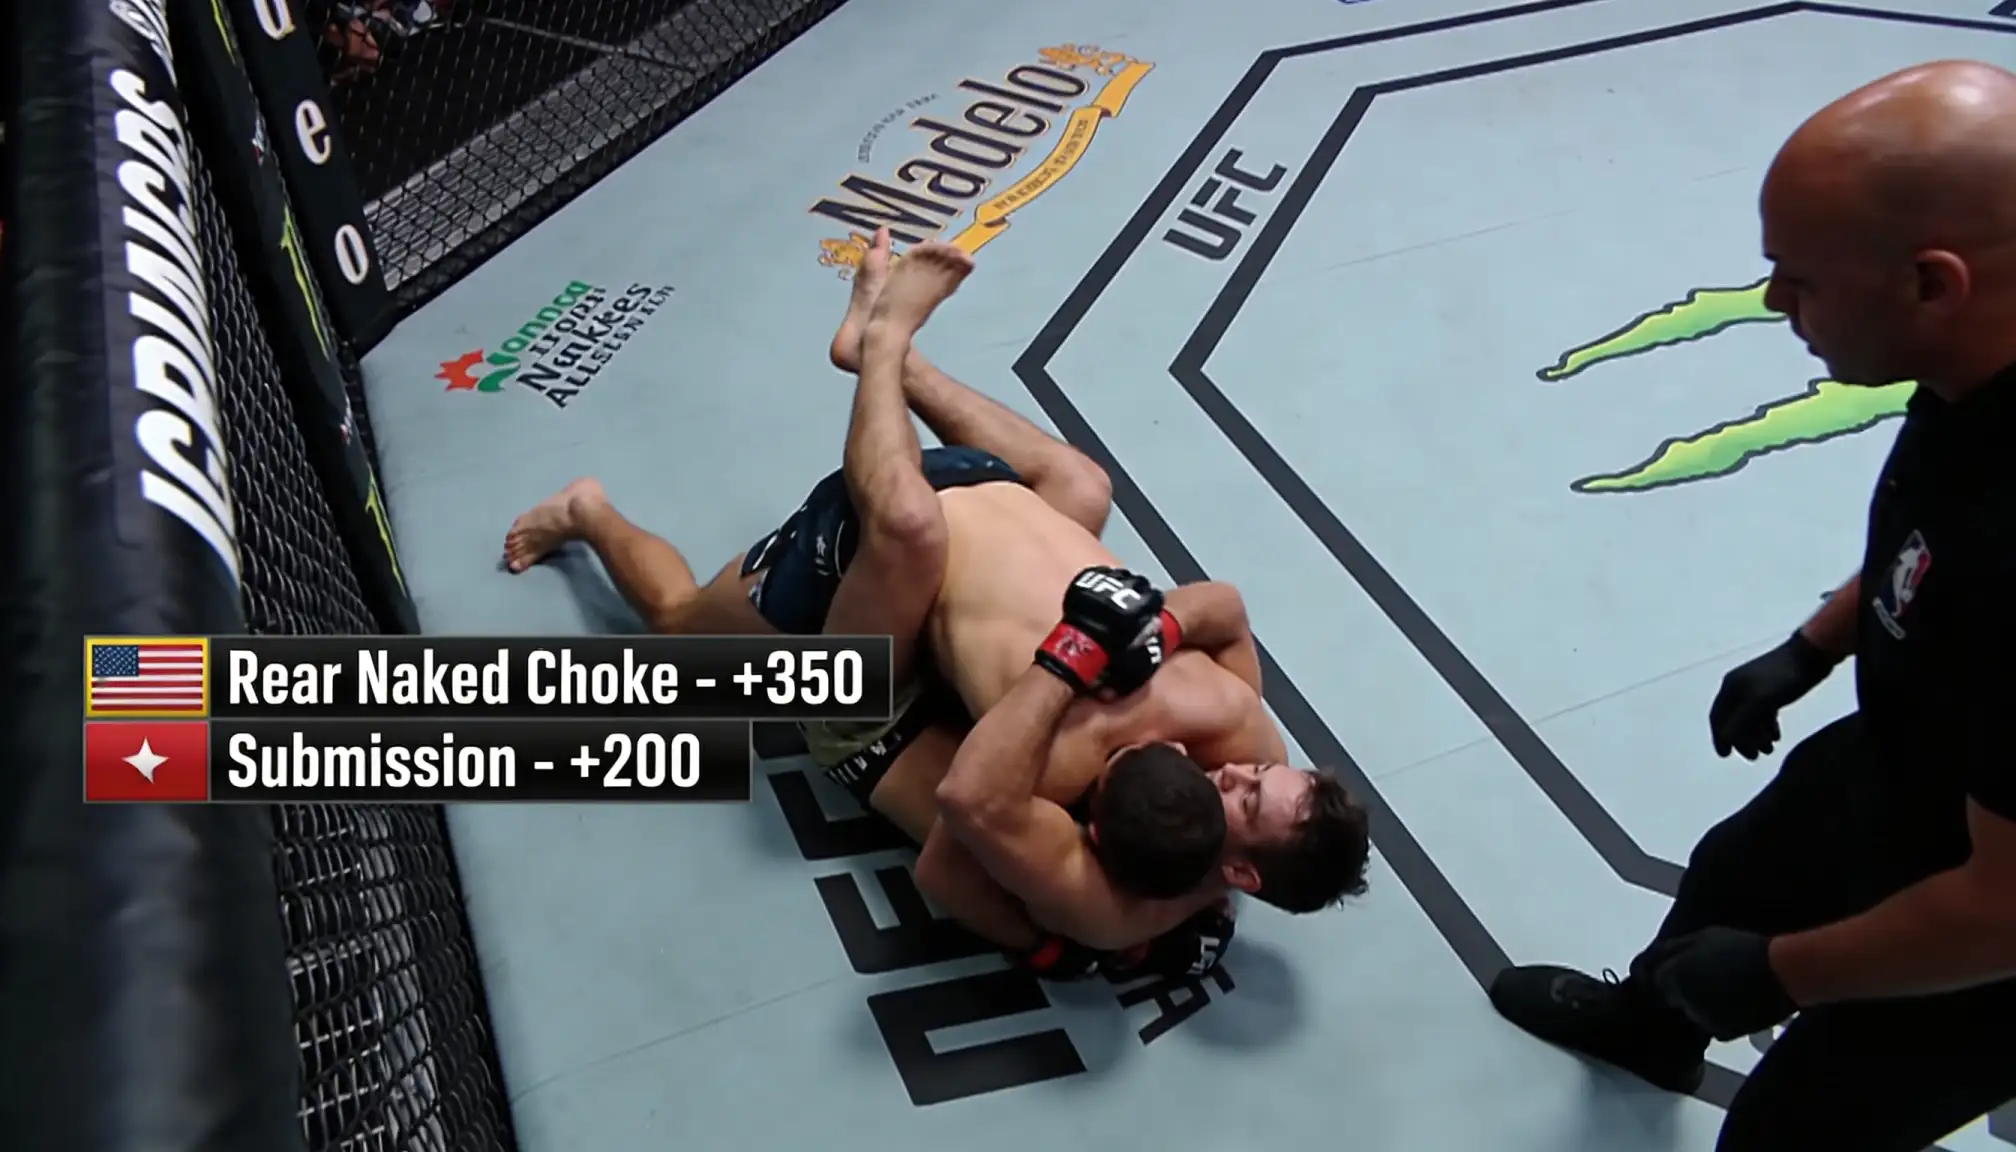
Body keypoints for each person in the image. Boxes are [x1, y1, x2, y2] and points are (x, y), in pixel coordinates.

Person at [503, 231, 1369, 975]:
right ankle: (883, 354)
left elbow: (962, 830)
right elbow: (1228, 613)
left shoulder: (1067, 821)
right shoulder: (1233, 731)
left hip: (889, 554)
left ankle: (593, 506)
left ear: (1239, 870)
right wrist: (1159, 626)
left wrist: (1076, 655)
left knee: (710, 613)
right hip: (984, 502)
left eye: (1247, 797)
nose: (1235, 771)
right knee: (1081, 485)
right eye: (1260, 775)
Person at [1486, 60, 2016, 1149]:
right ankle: (1652, 1029)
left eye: (1799, 280)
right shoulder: (1977, 364)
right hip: (1921, 757)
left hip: (1991, 924)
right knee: (1736, 870)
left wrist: (1778, 973)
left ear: (1932, 284)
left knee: (1789, 1133)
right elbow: (1935, 535)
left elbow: (2002, 911)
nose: (1775, 304)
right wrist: (1812, 646)